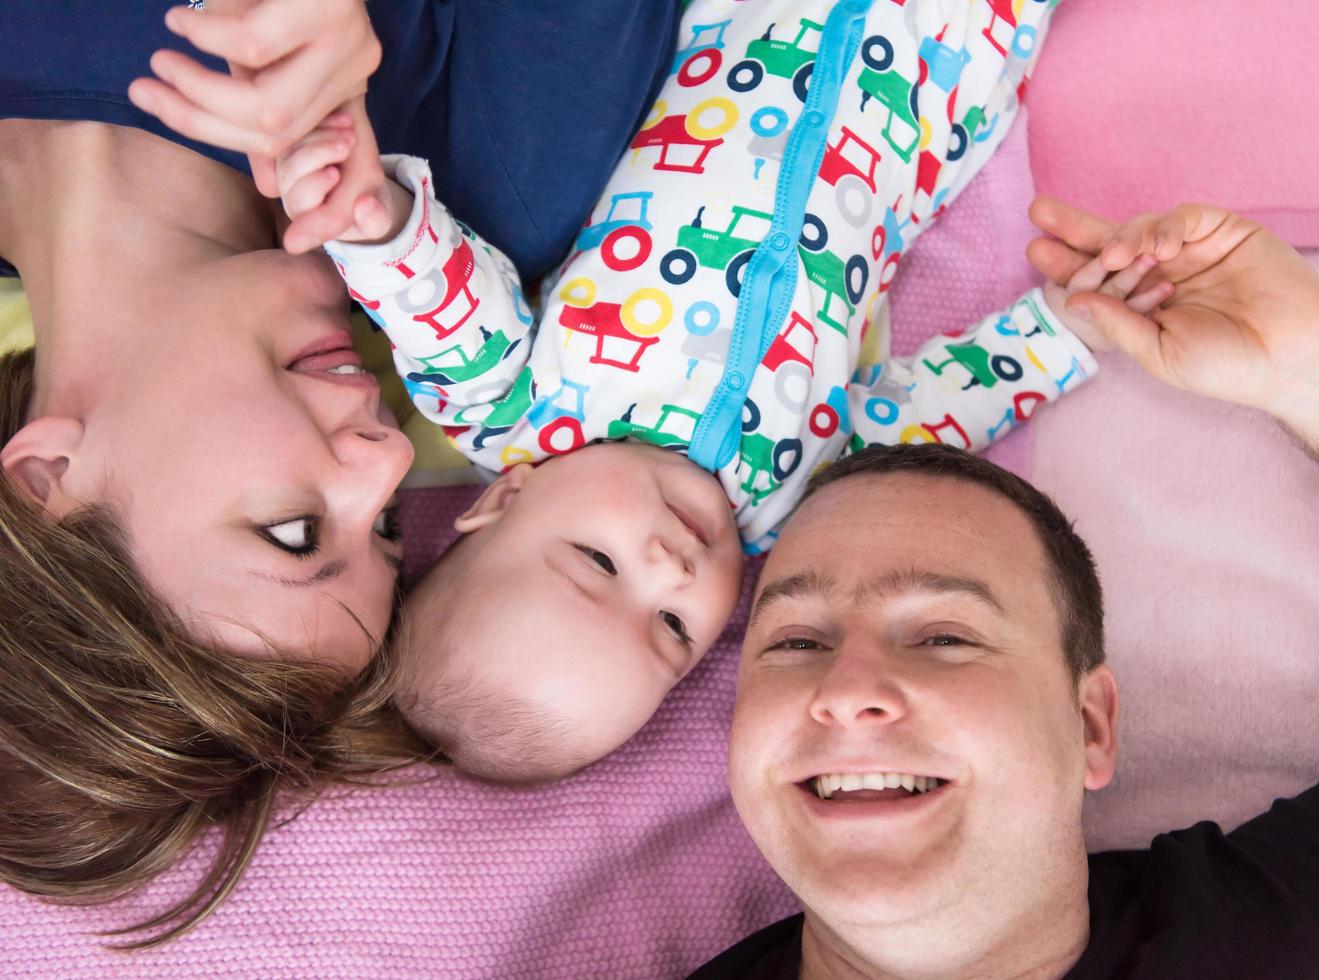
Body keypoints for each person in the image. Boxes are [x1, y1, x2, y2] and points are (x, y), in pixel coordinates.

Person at [268, 0, 1171, 782]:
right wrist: (1066, 330)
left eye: (597, 563)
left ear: (506, 498)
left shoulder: (517, 415)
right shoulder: (795, 505)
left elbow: (438, 308)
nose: (668, 569)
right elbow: (932, 417)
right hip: (938, 66)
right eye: (669, 628)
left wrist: (372, 223)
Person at [0, 0, 678, 945]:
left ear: (46, 480)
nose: (389, 457)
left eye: (292, 531)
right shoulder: (481, 206)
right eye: (388, 527)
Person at [693, 198, 1319, 977]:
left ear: (1091, 725)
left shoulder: (1301, 935)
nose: (847, 690)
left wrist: (1317, 363)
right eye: (795, 642)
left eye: (943, 637)